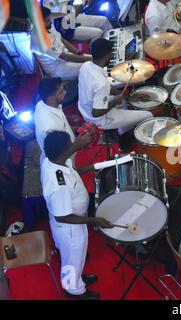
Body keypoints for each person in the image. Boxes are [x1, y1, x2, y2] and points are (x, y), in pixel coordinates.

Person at [41, 130, 114, 300]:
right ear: (63, 151)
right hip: (70, 227)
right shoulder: (59, 186)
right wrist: (94, 220)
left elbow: (71, 173)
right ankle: (73, 289)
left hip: (72, 220)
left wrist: (94, 167)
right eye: (70, 145)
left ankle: (77, 278)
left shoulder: (52, 160)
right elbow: (62, 216)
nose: (74, 145)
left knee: (76, 257)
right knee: (72, 257)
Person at [77, 38, 153, 139]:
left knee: (124, 102)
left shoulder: (85, 66)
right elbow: (96, 113)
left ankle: (123, 133)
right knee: (148, 115)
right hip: (99, 118)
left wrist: (126, 96)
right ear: (107, 56)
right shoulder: (101, 84)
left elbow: (107, 87)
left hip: (85, 108)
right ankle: (131, 137)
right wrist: (115, 102)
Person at [31, 6, 92, 80]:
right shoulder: (39, 40)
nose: (50, 21)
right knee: (91, 67)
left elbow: (62, 39)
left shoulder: (47, 25)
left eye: (49, 19)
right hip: (57, 68)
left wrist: (78, 53)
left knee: (94, 62)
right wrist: (91, 59)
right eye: (47, 20)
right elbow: (65, 57)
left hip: (66, 56)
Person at [34, 77, 76, 163]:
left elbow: (63, 125)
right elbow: (59, 156)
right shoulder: (50, 128)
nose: (65, 92)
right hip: (65, 160)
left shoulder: (42, 104)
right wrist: (79, 144)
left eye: (63, 89)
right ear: (51, 98)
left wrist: (76, 129)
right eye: (61, 92)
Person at [42, 0, 113, 43]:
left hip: (73, 16)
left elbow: (71, 5)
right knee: (97, 33)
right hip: (64, 27)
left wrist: (83, 2)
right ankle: (97, 59)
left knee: (104, 21)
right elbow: (49, 15)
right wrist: (66, 14)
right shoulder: (46, 2)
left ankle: (113, 44)